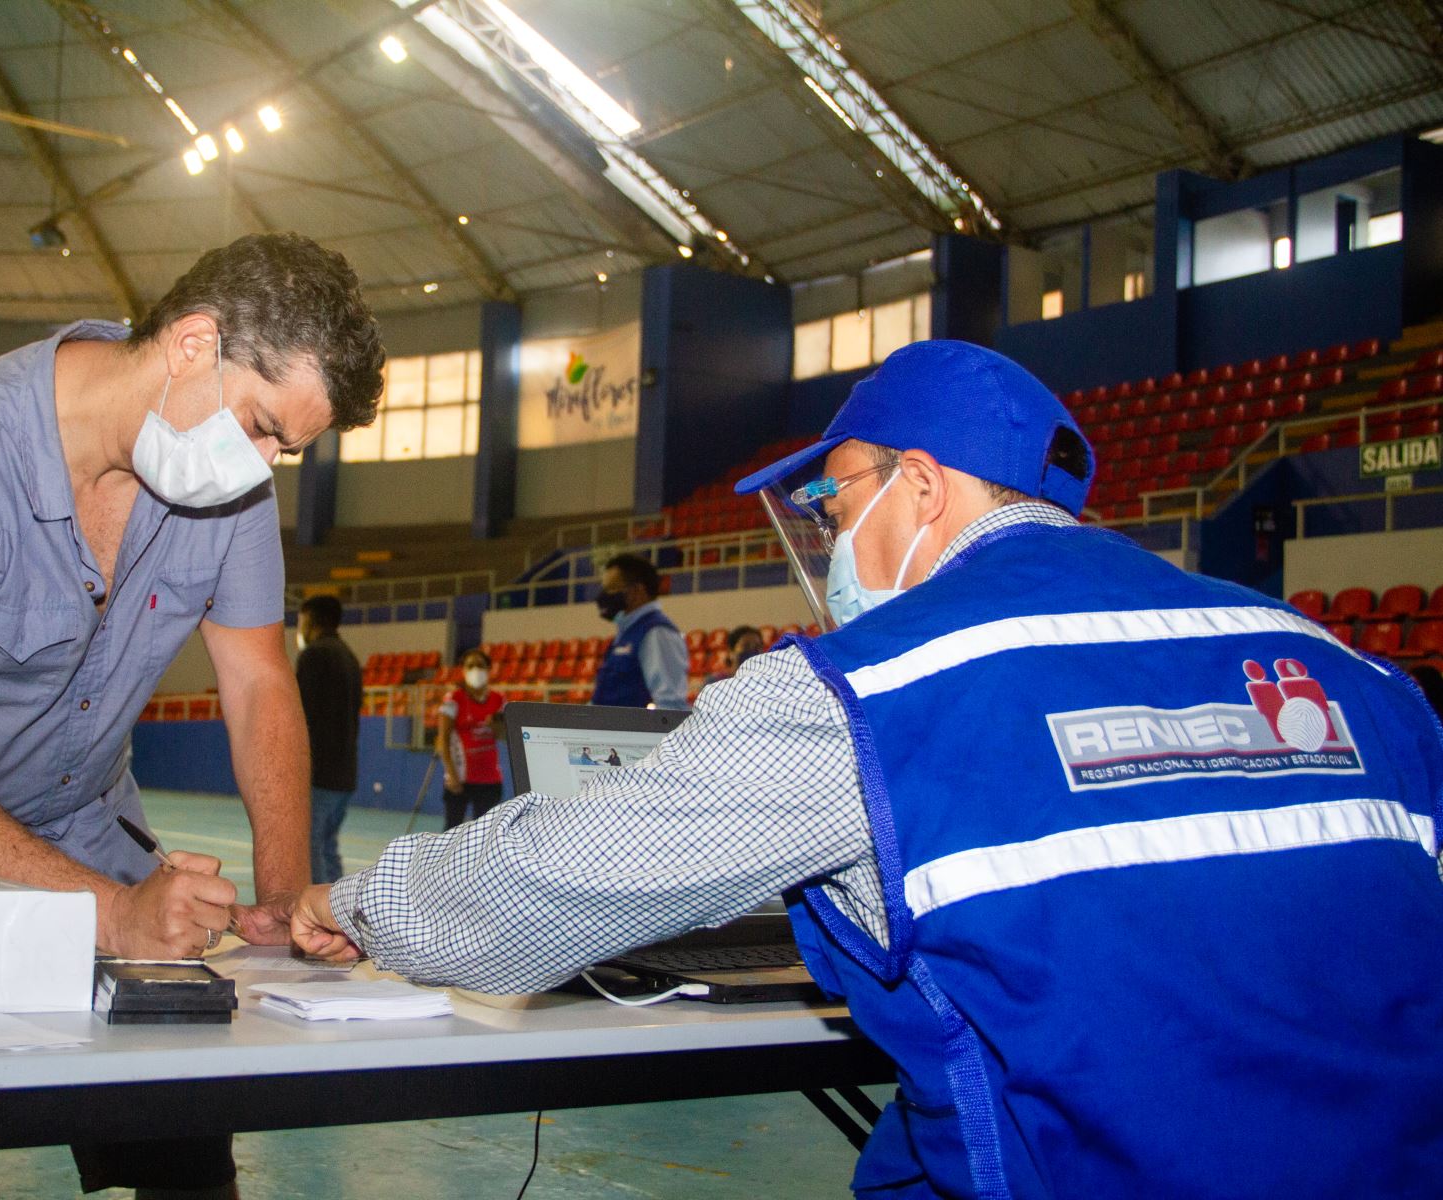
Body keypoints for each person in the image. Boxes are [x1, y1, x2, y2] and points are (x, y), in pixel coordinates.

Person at [289, 340, 1443, 1199]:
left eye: (837, 505)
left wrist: (352, 905)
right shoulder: (1349, 668)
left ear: (924, 489)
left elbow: (539, 885)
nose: (832, 548)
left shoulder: (870, 687)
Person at [0, 232, 384, 1200]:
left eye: (288, 450)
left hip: (72, 809)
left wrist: (281, 895)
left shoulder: (221, 489)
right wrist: (113, 911)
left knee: (181, 1132)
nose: (264, 466)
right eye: (264, 427)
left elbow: (261, 682)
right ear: (190, 344)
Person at [296, 594, 362, 883]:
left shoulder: (314, 655)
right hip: (345, 772)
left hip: (319, 771)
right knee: (328, 846)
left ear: (312, 620)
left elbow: (300, 716)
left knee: (310, 848)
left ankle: (319, 915)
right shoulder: (349, 657)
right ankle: (338, 912)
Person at [589, 553, 689, 709]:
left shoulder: (657, 632)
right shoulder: (626, 632)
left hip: (631, 733)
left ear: (637, 591)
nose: (604, 595)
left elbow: (670, 706)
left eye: (612, 588)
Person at [435, 647, 505, 829]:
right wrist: (451, 774)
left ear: (489, 669)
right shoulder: (453, 699)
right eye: (470, 666)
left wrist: (496, 725)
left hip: (490, 778)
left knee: (484, 833)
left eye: (480, 665)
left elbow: (504, 736)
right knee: (452, 829)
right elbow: (443, 739)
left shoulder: (499, 699)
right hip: (460, 776)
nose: (476, 670)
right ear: (464, 670)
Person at [704, 624, 765, 688]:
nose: (752, 650)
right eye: (746, 646)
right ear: (731, 651)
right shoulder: (715, 682)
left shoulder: (762, 681)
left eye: (757, 646)